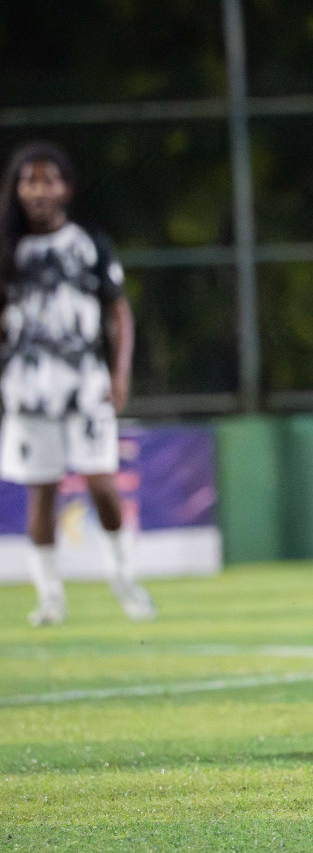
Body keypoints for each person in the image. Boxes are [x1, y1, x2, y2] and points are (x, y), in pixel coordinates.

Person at [0, 142, 155, 626]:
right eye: (29, 181)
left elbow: (118, 310)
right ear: (16, 190)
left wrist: (119, 373)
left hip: (84, 384)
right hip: (28, 390)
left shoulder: (89, 245)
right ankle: (49, 596)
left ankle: (123, 577)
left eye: (47, 180)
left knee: (101, 483)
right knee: (41, 492)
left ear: (65, 188)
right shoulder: (8, 250)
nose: (38, 191)